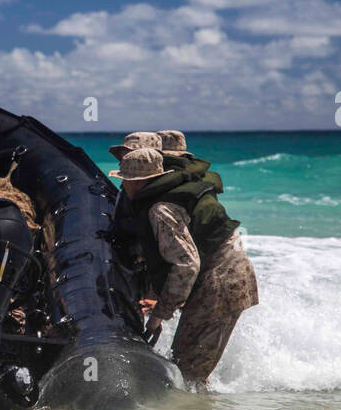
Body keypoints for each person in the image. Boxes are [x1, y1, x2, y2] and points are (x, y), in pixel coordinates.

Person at [110, 147, 258, 389]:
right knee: (187, 363)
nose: (123, 186)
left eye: (127, 180)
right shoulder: (172, 196)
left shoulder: (161, 210)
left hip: (220, 284)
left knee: (188, 371)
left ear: (142, 182)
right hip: (229, 276)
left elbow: (186, 264)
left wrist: (159, 316)